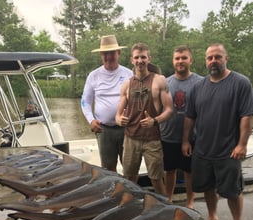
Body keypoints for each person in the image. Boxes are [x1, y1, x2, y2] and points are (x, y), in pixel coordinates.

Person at [182, 43, 253, 220]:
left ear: (226, 58)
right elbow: (190, 117)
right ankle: (212, 216)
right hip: (203, 150)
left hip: (229, 150)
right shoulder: (198, 87)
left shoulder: (241, 83)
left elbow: (246, 116)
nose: (214, 61)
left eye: (218, 57)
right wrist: (185, 141)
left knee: (233, 191)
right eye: (210, 58)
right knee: (207, 187)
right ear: (205, 61)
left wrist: (242, 144)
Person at [116, 42, 173, 195]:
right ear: (131, 60)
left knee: (156, 177)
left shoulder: (159, 81)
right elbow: (118, 114)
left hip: (152, 139)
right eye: (137, 57)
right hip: (131, 138)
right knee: (129, 177)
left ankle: (163, 207)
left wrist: (154, 121)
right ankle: (130, 205)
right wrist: (119, 119)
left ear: (149, 59)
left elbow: (169, 110)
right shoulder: (127, 84)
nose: (140, 61)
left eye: (143, 57)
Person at [81, 35, 133, 172]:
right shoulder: (94, 75)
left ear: (119, 53)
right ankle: (113, 193)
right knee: (108, 168)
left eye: (112, 53)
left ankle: (128, 193)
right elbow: (85, 101)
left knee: (129, 167)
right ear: (100, 55)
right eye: (105, 53)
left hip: (126, 129)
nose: (108, 57)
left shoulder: (129, 74)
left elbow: (138, 101)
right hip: (103, 130)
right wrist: (91, 120)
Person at [160, 45, 203, 208]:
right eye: (177, 58)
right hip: (168, 134)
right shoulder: (165, 83)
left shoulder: (200, 82)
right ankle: (169, 199)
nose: (180, 61)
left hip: (192, 136)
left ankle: (190, 201)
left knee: (189, 171)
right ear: (173, 61)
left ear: (191, 60)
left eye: (184, 58)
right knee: (169, 170)